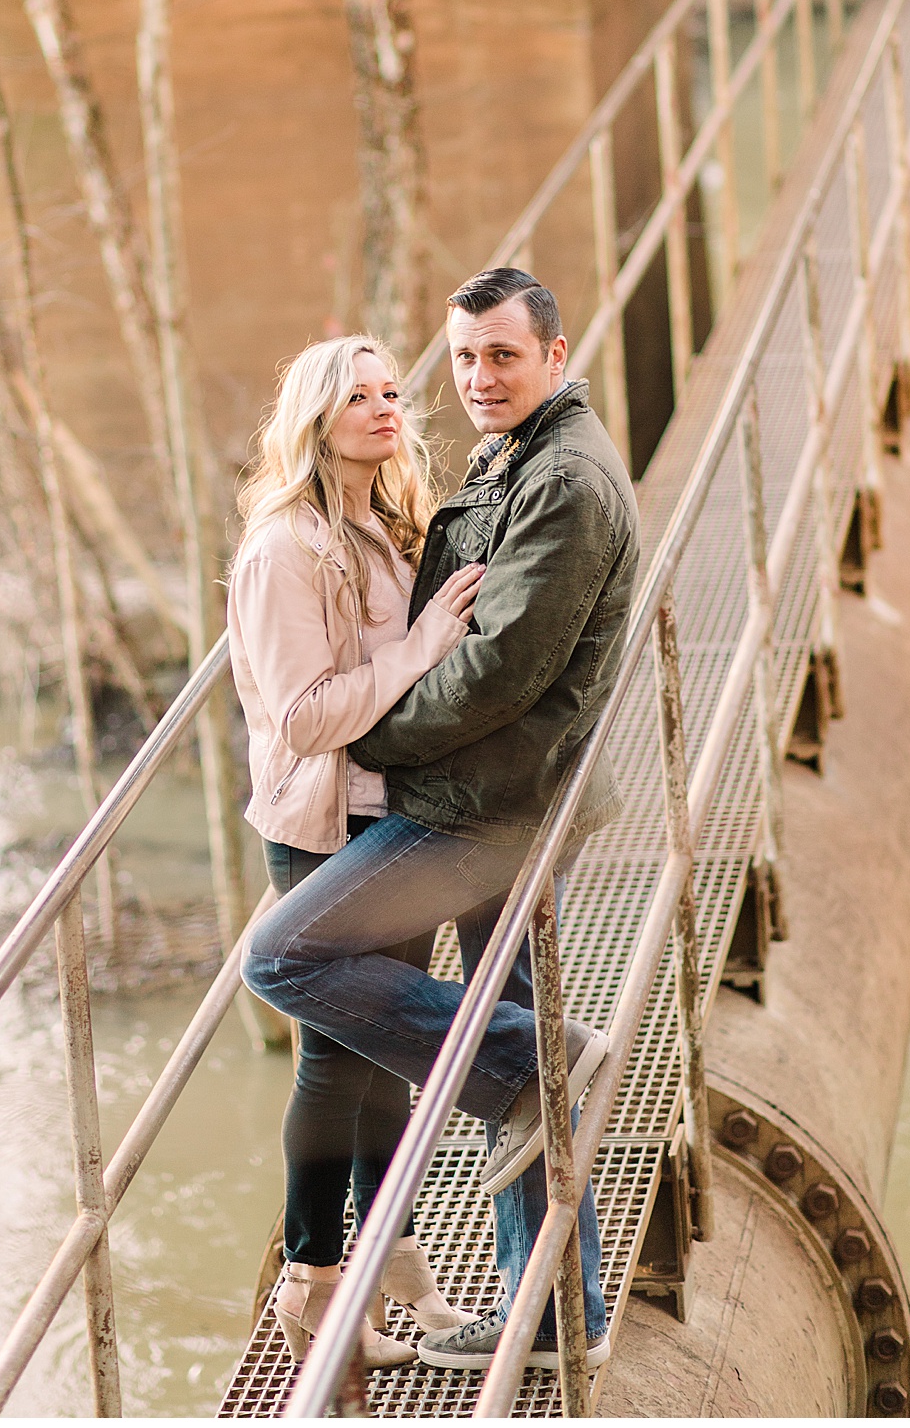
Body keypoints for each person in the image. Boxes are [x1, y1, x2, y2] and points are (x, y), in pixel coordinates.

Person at [244, 267, 639, 1373]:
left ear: (555, 355)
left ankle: (526, 1071)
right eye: (463, 358)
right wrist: (384, 696)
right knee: (428, 1056)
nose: (476, 377)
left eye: (503, 355)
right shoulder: (495, 462)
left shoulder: (560, 480)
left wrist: (373, 736)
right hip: (467, 791)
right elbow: (338, 679)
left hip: (484, 800)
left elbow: (494, 674)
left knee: (285, 958)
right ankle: (552, 1309)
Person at [228, 334, 486, 1368]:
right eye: (359, 397)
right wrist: (421, 648)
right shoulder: (284, 547)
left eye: (392, 392)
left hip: (400, 813)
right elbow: (299, 718)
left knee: (387, 1057)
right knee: (338, 1058)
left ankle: (395, 1265)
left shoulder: (391, 518)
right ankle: (313, 1284)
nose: (386, 409)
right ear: (314, 417)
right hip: (328, 824)